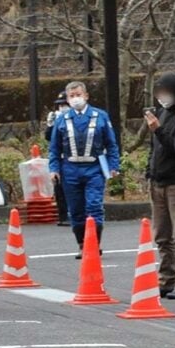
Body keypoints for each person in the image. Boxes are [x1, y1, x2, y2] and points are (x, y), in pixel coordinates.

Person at [47, 81, 120, 258]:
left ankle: (94, 243)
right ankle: (82, 244)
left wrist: (113, 166)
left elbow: (111, 144)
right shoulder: (62, 119)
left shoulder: (100, 116)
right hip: (70, 168)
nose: (75, 99)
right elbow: (54, 147)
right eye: (71, 96)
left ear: (86, 96)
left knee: (94, 205)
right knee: (76, 209)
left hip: (94, 167)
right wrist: (54, 168)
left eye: (78, 95)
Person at [145, 72, 175, 300]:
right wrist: (149, 172)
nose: (162, 97)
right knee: (162, 236)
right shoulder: (161, 113)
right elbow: (155, 149)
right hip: (158, 181)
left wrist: (158, 130)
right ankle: (166, 279)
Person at [44, 92, 70, 225]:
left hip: (72, 158)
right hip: (59, 158)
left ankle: (74, 214)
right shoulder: (56, 119)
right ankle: (63, 215)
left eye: (65, 104)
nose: (62, 107)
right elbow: (49, 138)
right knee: (59, 187)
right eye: (60, 105)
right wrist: (50, 125)